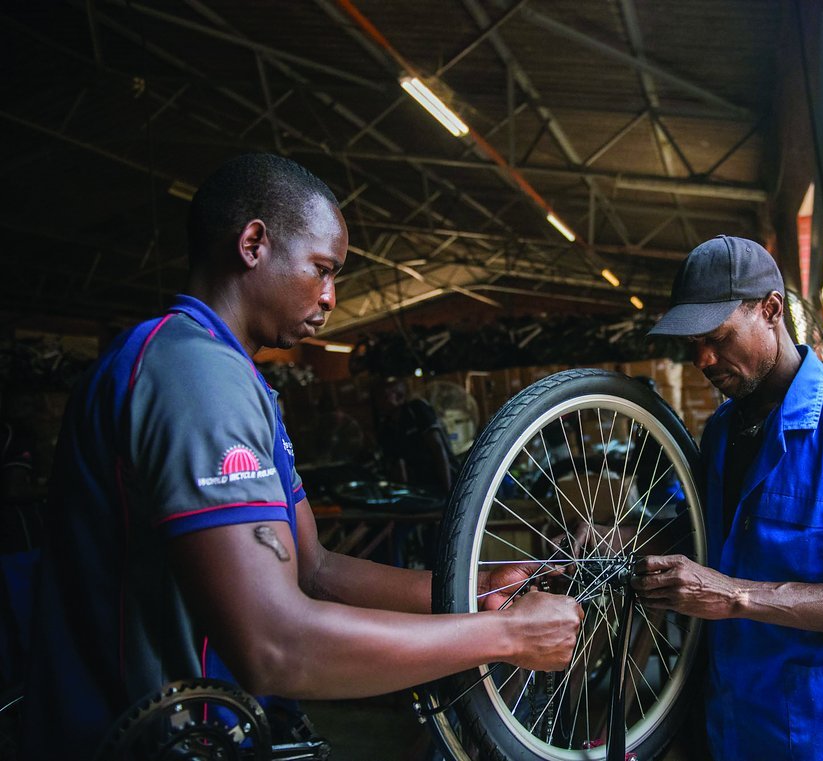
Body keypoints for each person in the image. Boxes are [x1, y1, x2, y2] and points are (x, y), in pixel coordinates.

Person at [20, 153, 582, 759]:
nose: (332, 297)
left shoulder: (232, 378)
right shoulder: (194, 376)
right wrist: (502, 635)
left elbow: (315, 570)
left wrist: (471, 588)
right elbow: (274, 645)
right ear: (254, 243)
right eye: (323, 269)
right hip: (142, 740)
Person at [633, 235, 823, 760]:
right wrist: (619, 542)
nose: (704, 359)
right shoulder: (722, 431)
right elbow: (708, 537)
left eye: (718, 336)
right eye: (693, 345)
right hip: (736, 726)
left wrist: (737, 596)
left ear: (771, 309)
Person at [372, 376, 459, 495]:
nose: (379, 402)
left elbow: (438, 449)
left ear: (399, 396)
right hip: (423, 485)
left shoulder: (416, 410)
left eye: (385, 396)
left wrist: (449, 490)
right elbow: (399, 464)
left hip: (446, 477)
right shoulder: (386, 428)